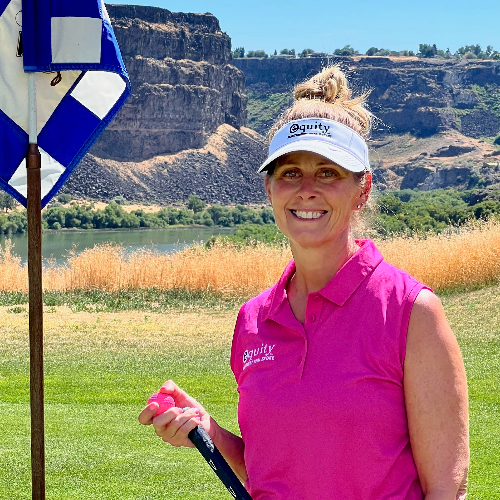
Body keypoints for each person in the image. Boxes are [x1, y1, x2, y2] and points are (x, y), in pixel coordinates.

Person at [139, 66, 469, 500]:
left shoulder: (411, 311)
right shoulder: (254, 319)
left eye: (328, 172)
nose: (307, 189)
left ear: (362, 189)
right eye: (290, 172)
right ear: (269, 189)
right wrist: (210, 432)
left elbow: (447, 488)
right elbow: (271, 471)